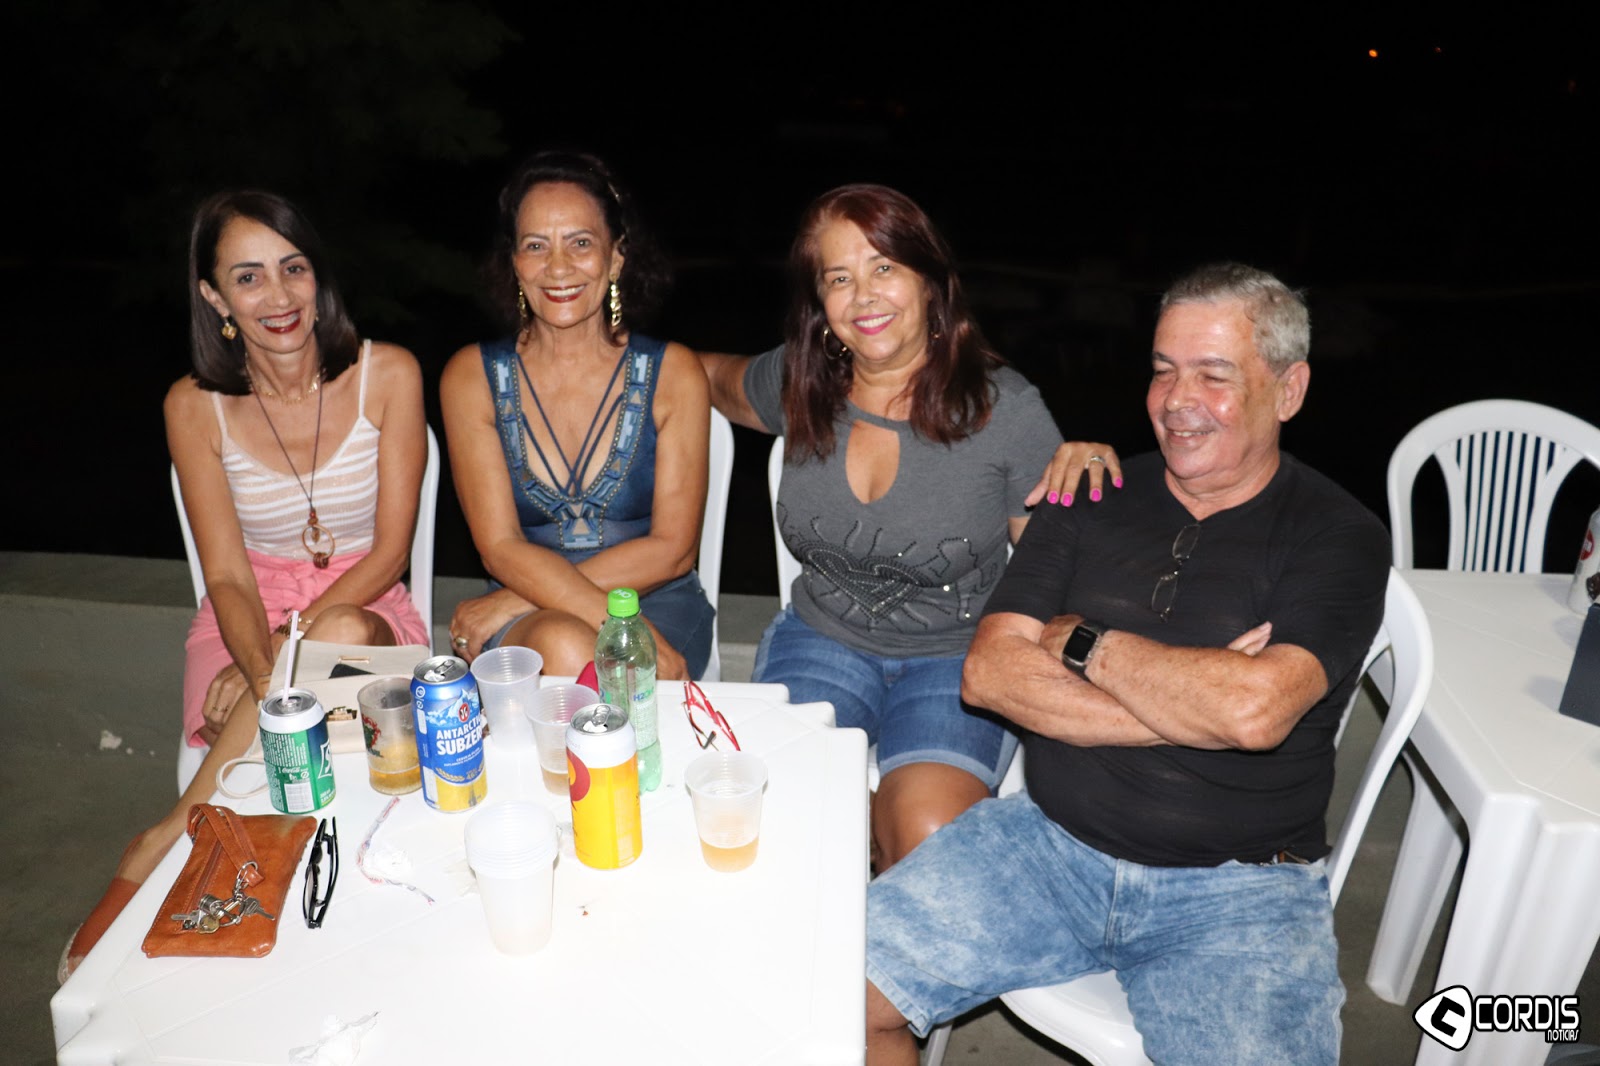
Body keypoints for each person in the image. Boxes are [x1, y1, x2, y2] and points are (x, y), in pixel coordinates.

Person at [863, 262, 1391, 1065]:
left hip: (1239, 894)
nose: (1177, 400)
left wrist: (1083, 641)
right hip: (1045, 845)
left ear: (1288, 390)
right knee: (823, 996)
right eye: (1163, 369)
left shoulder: (1339, 535)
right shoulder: (1089, 492)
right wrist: (1196, 703)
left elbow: (1255, 711)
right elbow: (990, 674)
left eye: (1214, 375)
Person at [61, 190, 430, 981]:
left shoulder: (389, 373)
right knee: (283, 691)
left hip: (365, 598)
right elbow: (226, 575)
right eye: (248, 277)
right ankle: (239, 876)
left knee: (345, 635)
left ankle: (167, 835)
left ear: (318, 276)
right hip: (244, 614)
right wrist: (262, 664)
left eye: (293, 268)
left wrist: (284, 656)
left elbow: (390, 552)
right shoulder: (193, 407)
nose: (279, 295)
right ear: (215, 297)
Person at [699, 184, 1120, 870]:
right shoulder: (801, 382)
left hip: (957, 657)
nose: (864, 296)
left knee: (926, 837)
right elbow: (706, 377)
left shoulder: (1004, 411)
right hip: (822, 639)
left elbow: (1060, 574)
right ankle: (855, 844)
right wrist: (613, 353)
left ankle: (871, 840)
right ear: (819, 302)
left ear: (930, 280)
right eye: (839, 278)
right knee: (770, 814)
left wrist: (1096, 484)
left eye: (884, 267)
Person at [442, 150, 713, 681]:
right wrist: (541, 604)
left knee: (578, 649)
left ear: (616, 257)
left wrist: (518, 598)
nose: (558, 267)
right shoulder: (471, 377)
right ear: (514, 262)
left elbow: (674, 551)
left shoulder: (673, 372)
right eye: (535, 246)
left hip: (654, 600)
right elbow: (499, 548)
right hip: (531, 621)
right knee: (566, 644)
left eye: (581, 243)